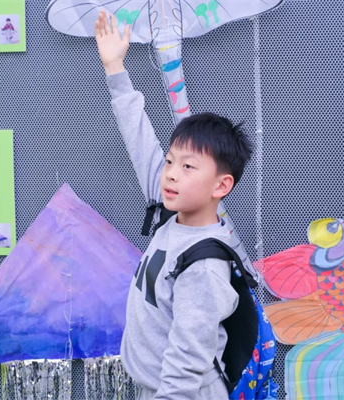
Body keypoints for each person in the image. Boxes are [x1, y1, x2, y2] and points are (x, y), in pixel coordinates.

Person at [94, 10, 254, 400]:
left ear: (221, 185)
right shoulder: (172, 211)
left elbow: (185, 368)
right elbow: (138, 136)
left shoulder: (204, 267)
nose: (170, 174)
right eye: (169, 162)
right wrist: (114, 67)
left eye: (188, 167)